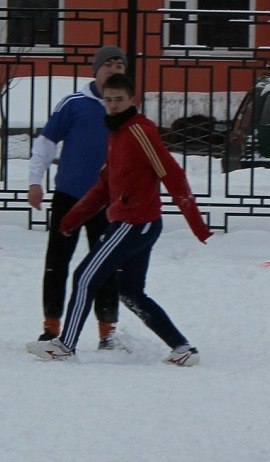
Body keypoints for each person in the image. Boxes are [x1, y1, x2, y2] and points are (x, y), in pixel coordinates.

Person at [25, 74, 213, 366]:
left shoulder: (139, 130)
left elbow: (172, 174)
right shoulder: (116, 133)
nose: (113, 105)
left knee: (85, 276)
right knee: (130, 291)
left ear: (132, 100)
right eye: (108, 100)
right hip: (133, 221)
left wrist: (197, 225)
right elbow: (103, 186)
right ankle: (182, 348)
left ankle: (65, 345)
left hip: (135, 222)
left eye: (119, 100)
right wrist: (71, 220)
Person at [27, 45, 128, 349]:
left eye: (119, 66)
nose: (114, 70)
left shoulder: (124, 109)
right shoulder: (74, 103)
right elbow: (46, 142)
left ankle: (107, 332)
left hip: (108, 202)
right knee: (57, 261)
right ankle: (51, 327)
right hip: (69, 196)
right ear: (96, 70)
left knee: (106, 264)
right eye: (108, 64)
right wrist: (35, 181)